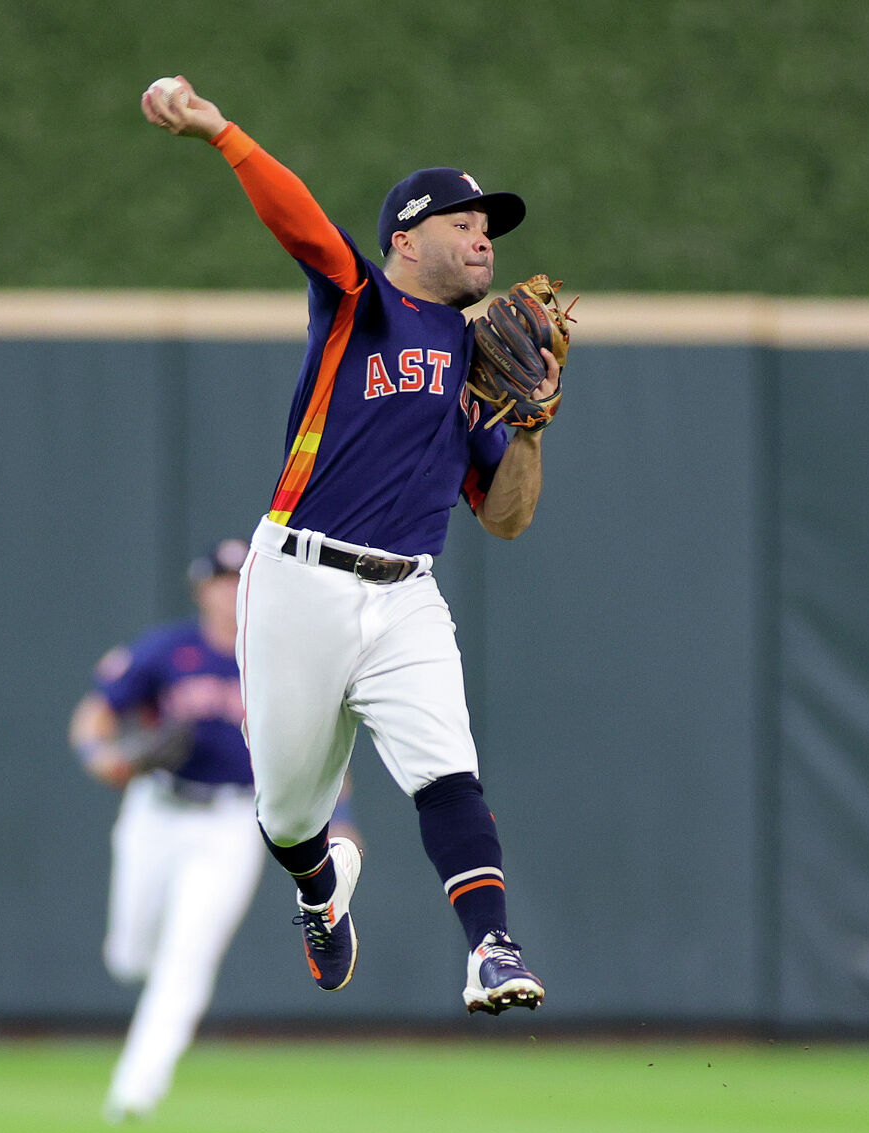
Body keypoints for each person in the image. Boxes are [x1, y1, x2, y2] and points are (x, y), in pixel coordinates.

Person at [138, 75, 553, 1014]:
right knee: (286, 813)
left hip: (409, 591)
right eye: (464, 219)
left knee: (447, 770)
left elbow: (507, 515)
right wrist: (220, 131)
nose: (485, 232)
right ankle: (320, 891)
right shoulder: (362, 302)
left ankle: (491, 945)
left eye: (490, 223)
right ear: (406, 238)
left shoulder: (484, 364)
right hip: (298, 578)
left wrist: (527, 427)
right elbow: (302, 223)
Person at [71, 538, 331, 1121]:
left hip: (233, 822)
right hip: (156, 811)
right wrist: (99, 754)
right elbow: (95, 713)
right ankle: (136, 974)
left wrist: (340, 821)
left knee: (187, 957)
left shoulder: (279, 659)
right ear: (200, 589)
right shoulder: (166, 651)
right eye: (220, 579)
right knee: (131, 954)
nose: (230, 590)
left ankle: (135, 1091)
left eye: (241, 579)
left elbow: (320, 751)